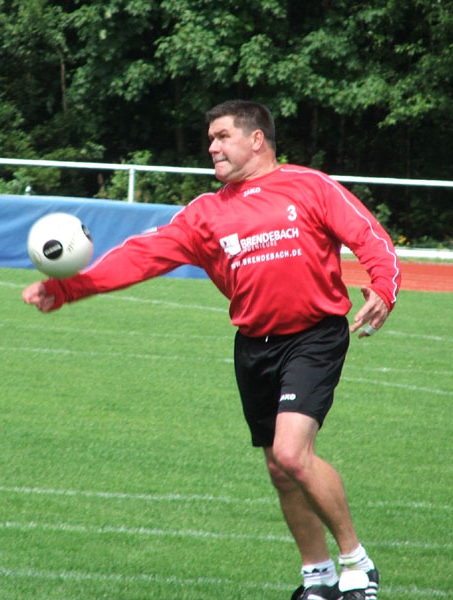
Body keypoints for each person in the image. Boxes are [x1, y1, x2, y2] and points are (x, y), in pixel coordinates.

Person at [22, 100, 401, 600]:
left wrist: (383, 286)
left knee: (292, 453)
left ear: (256, 140)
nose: (212, 147)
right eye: (210, 139)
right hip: (253, 347)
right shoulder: (205, 213)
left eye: (222, 137)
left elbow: (368, 234)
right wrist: (70, 288)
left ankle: (356, 563)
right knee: (279, 470)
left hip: (313, 335)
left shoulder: (309, 186)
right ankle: (318, 577)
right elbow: (142, 257)